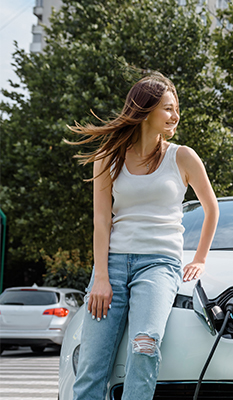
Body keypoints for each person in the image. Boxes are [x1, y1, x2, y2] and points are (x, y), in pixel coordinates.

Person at [66, 73, 219, 400]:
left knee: (144, 346)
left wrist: (201, 259)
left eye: (176, 108)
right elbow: (101, 220)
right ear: (145, 110)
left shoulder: (183, 157)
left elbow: (211, 208)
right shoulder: (108, 157)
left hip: (159, 265)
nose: (175, 115)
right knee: (92, 364)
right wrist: (101, 277)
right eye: (168, 108)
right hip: (113, 265)